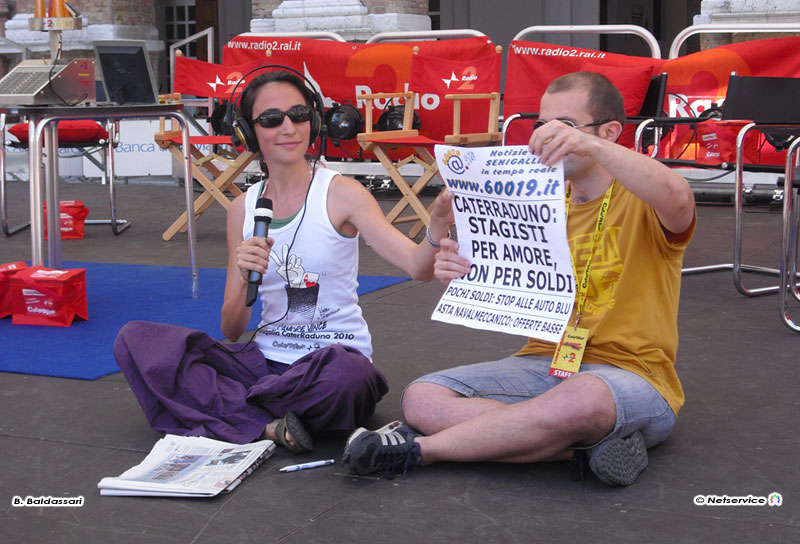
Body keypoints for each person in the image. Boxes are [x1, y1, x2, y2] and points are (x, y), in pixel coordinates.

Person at [341, 71, 696, 485]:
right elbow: (496, 271)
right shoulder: (534, 198)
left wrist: (588, 143)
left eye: (564, 126)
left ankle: (422, 451)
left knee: (583, 399)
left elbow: (679, 198)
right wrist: (460, 268)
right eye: (542, 124)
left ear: (610, 131)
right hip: (544, 363)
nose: (547, 136)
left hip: (633, 374)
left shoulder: (643, 196)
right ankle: (581, 448)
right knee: (422, 398)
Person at [114, 70, 453, 453]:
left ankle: (238, 410)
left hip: (329, 365)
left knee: (350, 377)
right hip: (263, 362)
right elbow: (231, 328)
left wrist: (437, 228)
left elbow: (418, 266)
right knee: (137, 340)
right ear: (248, 132)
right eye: (272, 119)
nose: (289, 127)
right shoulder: (242, 209)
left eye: (299, 115)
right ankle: (270, 425)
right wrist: (243, 278)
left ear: (314, 121)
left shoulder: (343, 193)